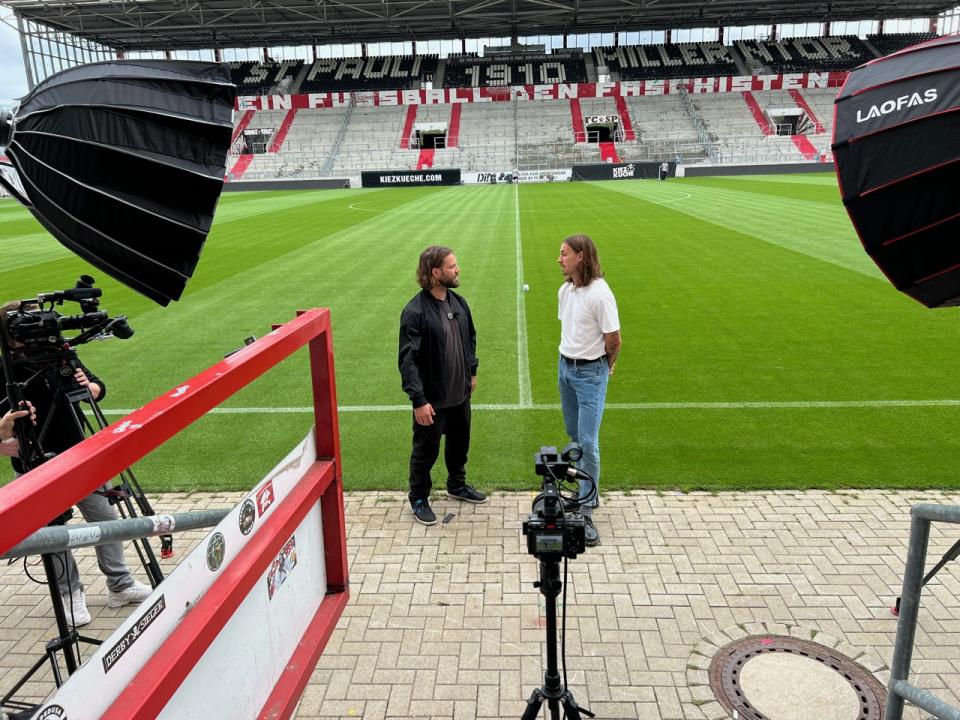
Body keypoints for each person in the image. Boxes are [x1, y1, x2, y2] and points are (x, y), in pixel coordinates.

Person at [0, 301, 151, 627]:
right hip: (34, 464)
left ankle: (120, 583)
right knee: (54, 532)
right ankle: (69, 592)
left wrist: (89, 387)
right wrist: (2, 441)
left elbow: (98, 388)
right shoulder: (4, 369)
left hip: (81, 456)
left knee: (108, 517)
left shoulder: (60, 353)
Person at [399, 246, 487, 525]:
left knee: (459, 445)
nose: (457, 269)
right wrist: (418, 400)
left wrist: (471, 372)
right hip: (432, 400)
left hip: (459, 394)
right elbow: (407, 360)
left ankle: (456, 485)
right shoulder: (415, 311)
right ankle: (419, 497)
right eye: (451, 266)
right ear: (435, 273)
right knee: (425, 452)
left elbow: (470, 337)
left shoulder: (458, 302)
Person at [556, 235, 621, 546]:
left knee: (588, 442)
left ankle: (586, 508)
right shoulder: (565, 291)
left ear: (580, 256)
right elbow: (570, 328)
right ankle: (581, 492)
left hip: (590, 372)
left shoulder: (601, 294)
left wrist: (605, 368)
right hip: (565, 368)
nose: (559, 260)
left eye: (564, 254)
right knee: (574, 438)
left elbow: (614, 339)